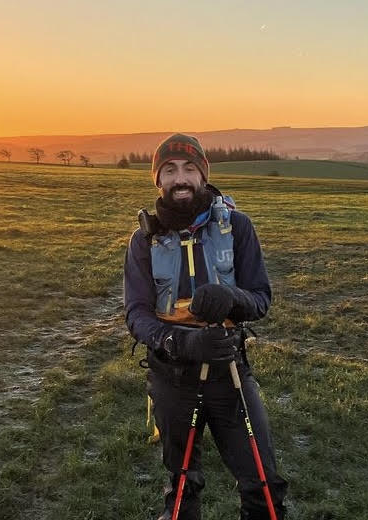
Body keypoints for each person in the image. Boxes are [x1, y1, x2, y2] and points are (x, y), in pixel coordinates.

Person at [124, 133, 288, 519]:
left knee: (263, 485)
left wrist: (232, 298)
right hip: (171, 375)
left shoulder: (238, 226)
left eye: (189, 169)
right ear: (158, 179)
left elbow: (261, 298)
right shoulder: (144, 240)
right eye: (169, 170)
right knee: (182, 485)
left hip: (230, 372)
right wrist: (179, 343)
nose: (180, 179)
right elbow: (136, 314)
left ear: (203, 174)